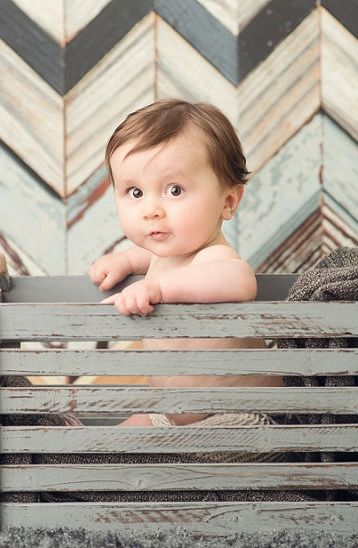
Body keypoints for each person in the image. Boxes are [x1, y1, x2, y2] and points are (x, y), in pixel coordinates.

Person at [89, 98, 282, 427]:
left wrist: (157, 288)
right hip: (174, 414)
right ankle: (76, 449)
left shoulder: (213, 258)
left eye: (174, 190)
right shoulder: (166, 256)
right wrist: (123, 261)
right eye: (135, 193)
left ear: (228, 201)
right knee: (118, 437)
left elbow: (239, 279)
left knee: (147, 448)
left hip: (240, 417)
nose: (151, 210)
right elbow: (148, 257)